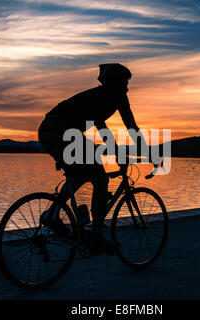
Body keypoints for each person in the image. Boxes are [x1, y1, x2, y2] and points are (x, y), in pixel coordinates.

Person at [38, 63, 149, 255]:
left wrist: (146, 151)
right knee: (100, 177)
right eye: (124, 83)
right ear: (111, 83)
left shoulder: (117, 97)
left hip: (56, 132)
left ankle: (52, 215)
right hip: (59, 132)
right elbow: (102, 128)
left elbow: (131, 127)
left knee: (80, 174)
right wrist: (119, 154)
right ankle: (96, 233)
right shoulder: (100, 97)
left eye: (127, 83)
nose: (127, 87)